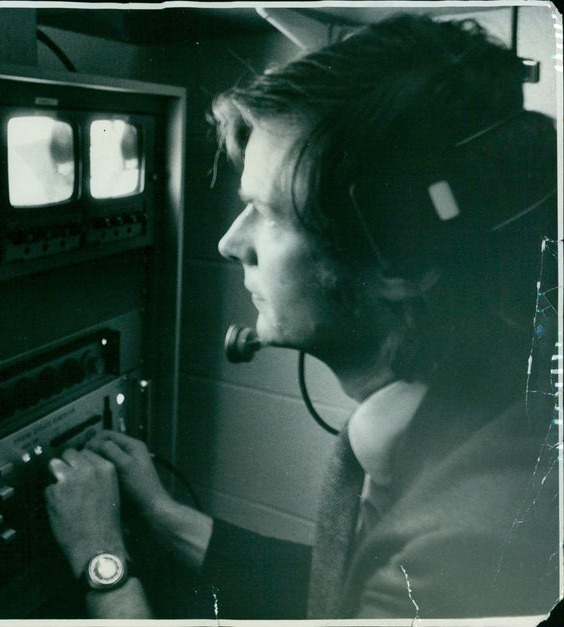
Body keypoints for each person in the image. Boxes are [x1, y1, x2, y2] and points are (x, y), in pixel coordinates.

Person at [43, 13, 559, 619]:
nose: (231, 244)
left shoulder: (462, 550)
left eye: (266, 211)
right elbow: (339, 590)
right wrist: (165, 518)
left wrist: (102, 560)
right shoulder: (472, 412)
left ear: (402, 257)